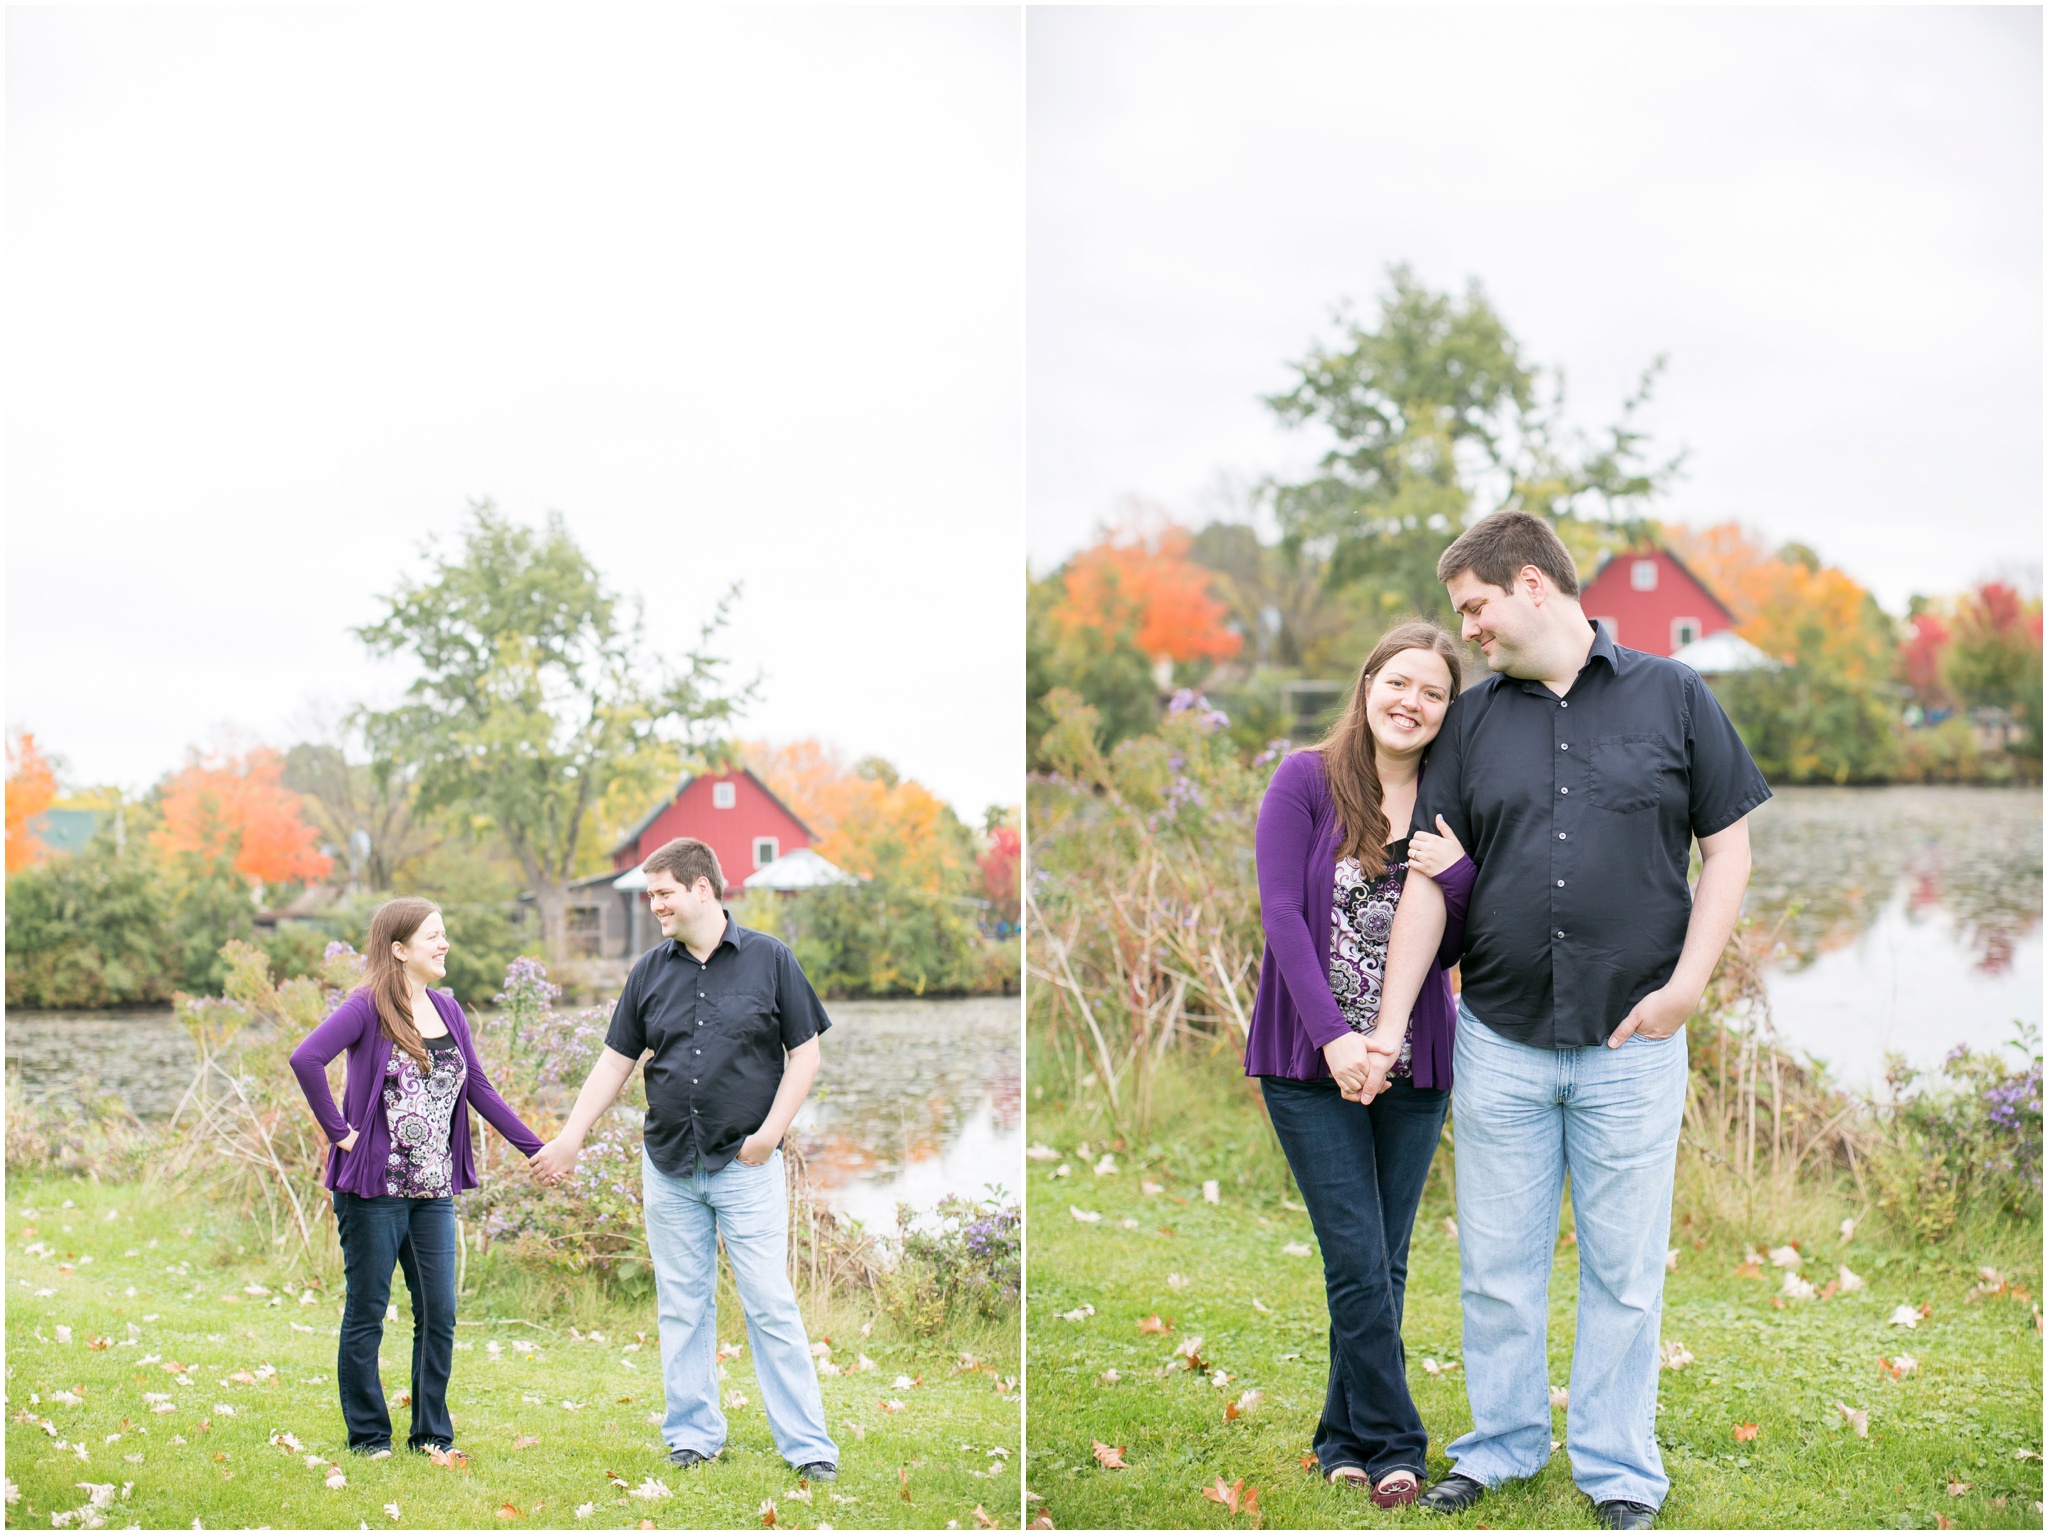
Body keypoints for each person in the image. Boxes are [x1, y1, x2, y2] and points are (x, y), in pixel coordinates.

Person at [1369, 512, 1768, 1532]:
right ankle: (1498, 1447)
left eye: (1475, 606)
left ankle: (1617, 1470)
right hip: (1497, 1036)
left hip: (1632, 1042)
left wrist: (1685, 987)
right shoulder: (1470, 724)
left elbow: (1726, 849)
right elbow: (1425, 880)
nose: (1467, 633)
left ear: (1532, 585)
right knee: (1495, 1266)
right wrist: (1391, 1019)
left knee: (1623, 1272)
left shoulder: (1674, 695)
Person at [1242, 619, 1479, 1508]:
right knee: (1354, 1254)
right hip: (1310, 1062)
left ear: (1446, 711)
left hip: (1414, 1066)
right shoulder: (1306, 778)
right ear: (1368, 681)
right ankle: (1397, 1443)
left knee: (1383, 1258)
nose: (1411, 702)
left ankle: (1341, 1436)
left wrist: (1456, 875)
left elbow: (1464, 934)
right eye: (1399, 682)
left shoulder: (1450, 800)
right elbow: (1280, 914)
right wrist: (1337, 1038)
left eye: (1432, 692)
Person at [530, 836, 839, 1481]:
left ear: (703, 887)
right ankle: (694, 1436)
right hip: (668, 1165)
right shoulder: (649, 971)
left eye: (663, 893)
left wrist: (771, 1134)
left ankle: (809, 1449)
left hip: (746, 1165)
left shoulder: (770, 960)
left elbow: (804, 1052)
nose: (655, 905)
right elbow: (616, 1061)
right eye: (650, 895)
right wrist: (571, 1136)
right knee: (682, 1304)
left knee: (769, 1304)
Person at [289, 898, 545, 1458]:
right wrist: (341, 1133)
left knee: (439, 1312)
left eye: (444, 933)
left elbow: (478, 1087)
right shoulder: (366, 1008)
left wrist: (536, 1150)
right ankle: (369, 1436)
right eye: (433, 935)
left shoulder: (449, 1010)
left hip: (433, 1191)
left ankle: (431, 1433)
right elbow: (306, 1059)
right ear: (399, 949)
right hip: (372, 1191)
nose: (444, 943)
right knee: (368, 1309)